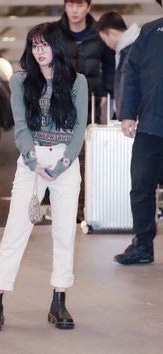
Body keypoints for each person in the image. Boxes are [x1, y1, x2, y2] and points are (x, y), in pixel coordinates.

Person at [0, 22, 88, 331]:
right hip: (32, 161)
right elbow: (21, 125)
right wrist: (32, 160)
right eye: (35, 46)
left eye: (45, 45)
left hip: (66, 163)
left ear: (56, 46)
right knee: (16, 228)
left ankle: (59, 300)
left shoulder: (76, 81)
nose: (40, 51)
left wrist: (64, 162)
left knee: (65, 232)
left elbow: (79, 127)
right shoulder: (21, 81)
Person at [112, 0, 163, 265]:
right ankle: (142, 245)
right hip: (151, 127)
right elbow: (131, 74)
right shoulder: (150, 32)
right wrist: (128, 113)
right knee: (141, 187)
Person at [56, 0, 115, 221]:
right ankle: (64, 209)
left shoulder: (98, 33)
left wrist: (108, 95)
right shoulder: (56, 32)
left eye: (80, 4)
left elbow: (111, 66)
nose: (74, 10)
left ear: (88, 7)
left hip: (93, 104)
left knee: (90, 157)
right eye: (70, 4)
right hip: (62, 104)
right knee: (63, 154)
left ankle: (86, 210)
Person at [96, 12, 140, 119]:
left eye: (104, 39)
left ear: (111, 33)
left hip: (134, 118)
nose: (106, 44)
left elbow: (131, 85)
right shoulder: (126, 50)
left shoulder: (131, 51)